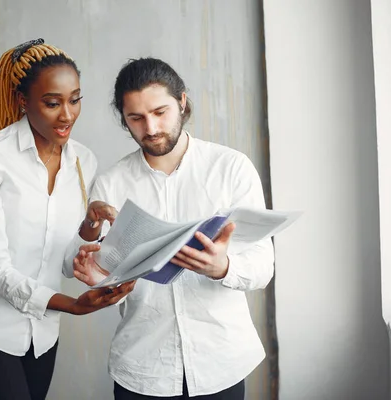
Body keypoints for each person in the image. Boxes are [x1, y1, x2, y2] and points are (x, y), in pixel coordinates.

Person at [66, 57, 275, 400]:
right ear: (124, 119)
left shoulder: (231, 168)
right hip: (143, 368)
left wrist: (222, 267)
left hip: (220, 363)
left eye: (160, 112)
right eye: (136, 118)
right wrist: (98, 274)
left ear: (181, 101)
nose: (150, 127)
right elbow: (106, 270)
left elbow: (263, 266)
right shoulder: (111, 183)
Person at [0, 38, 134, 400]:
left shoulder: (84, 161)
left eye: (75, 99)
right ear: (23, 101)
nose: (67, 114)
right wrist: (74, 306)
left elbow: (64, 261)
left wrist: (90, 228)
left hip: (43, 331)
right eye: (52, 103)